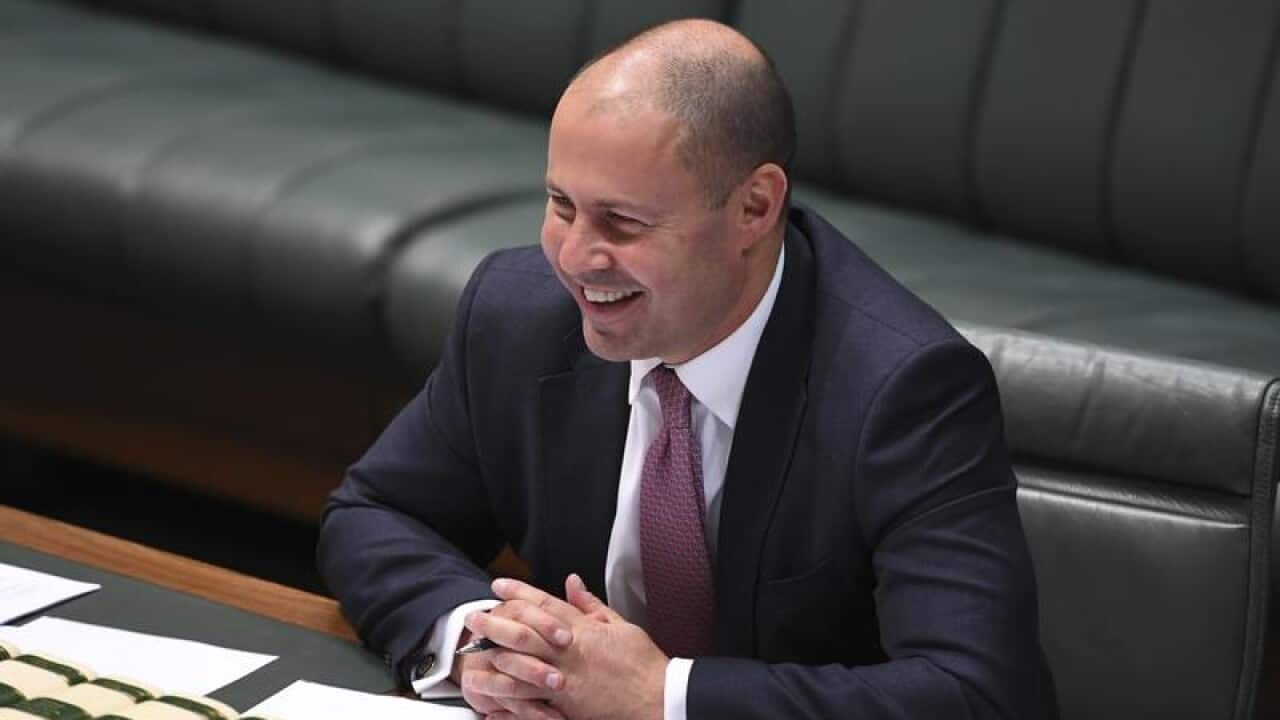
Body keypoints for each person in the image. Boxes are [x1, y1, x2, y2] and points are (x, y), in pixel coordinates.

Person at [318, 18, 1049, 720]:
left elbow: (976, 696)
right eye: (561, 204)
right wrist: (479, 638)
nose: (574, 259)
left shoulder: (904, 390)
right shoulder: (517, 317)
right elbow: (375, 513)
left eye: (623, 224)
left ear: (755, 207)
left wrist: (663, 697)